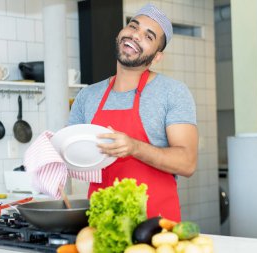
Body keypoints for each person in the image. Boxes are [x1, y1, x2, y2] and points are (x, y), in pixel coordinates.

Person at [68, 3, 198, 221]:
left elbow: (187, 163)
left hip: (156, 228)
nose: (136, 35)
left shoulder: (172, 92)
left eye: (148, 37)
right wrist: (50, 155)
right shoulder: (87, 96)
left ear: (157, 57)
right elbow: (71, 153)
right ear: (122, 32)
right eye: (133, 26)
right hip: (102, 226)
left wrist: (134, 147)